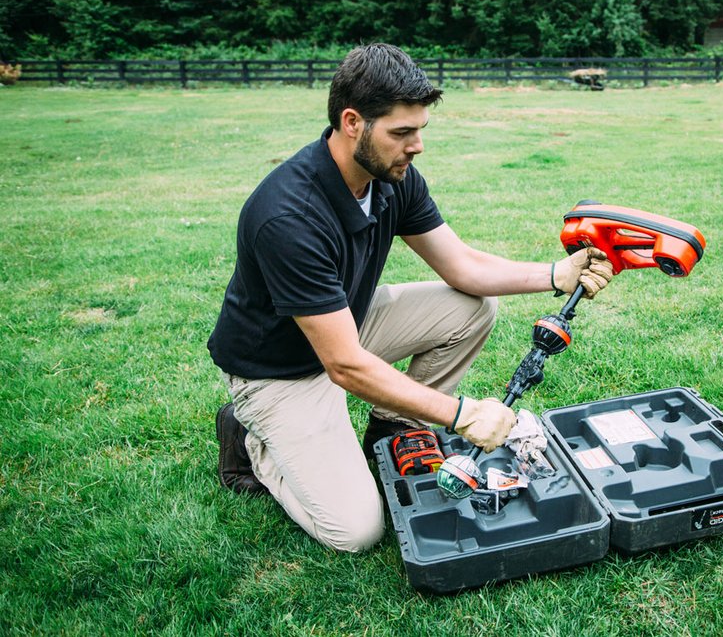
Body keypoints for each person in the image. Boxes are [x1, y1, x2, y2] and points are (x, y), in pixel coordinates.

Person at [207, 43, 613, 553]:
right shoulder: (288, 215)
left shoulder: (391, 177)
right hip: (279, 371)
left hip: (343, 328)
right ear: (352, 122)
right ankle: (252, 440)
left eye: (419, 129)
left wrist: (557, 273)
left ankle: (392, 432)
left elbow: (461, 267)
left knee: (469, 307)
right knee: (355, 531)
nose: (416, 145)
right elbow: (345, 367)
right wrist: (462, 413)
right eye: (401, 132)